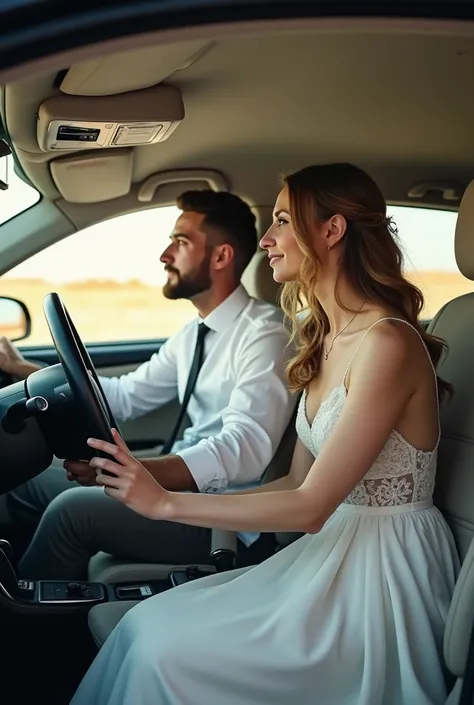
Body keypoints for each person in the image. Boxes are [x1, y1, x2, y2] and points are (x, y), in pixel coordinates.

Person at [70, 163, 460, 705]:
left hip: (382, 576)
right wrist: (142, 482)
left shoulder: (387, 343)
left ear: (332, 230)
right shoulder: (325, 340)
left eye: (280, 221)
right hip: (329, 551)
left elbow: (310, 506)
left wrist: (166, 504)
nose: (268, 240)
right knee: (146, 625)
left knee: (164, 647)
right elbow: (295, 481)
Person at [1, 189, 294, 579]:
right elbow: (125, 397)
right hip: (179, 495)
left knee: (70, 511)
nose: (164, 255)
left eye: (181, 241)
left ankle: (23, 629)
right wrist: (23, 370)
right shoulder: (194, 334)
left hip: (223, 518)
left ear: (221, 256)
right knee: (25, 483)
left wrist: (133, 470)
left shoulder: (265, 335)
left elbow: (246, 449)